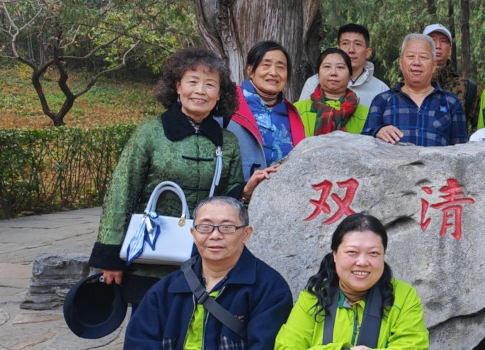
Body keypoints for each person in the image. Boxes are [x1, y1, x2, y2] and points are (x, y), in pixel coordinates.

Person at [88, 47, 266, 309]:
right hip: (149, 256)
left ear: (220, 94)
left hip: (202, 256)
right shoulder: (150, 133)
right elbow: (121, 192)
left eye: (210, 84)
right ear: (177, 86)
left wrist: (245, 192)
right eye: (192, 81)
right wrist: (110, 256)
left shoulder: (226, 142)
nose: (200, 91)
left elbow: (226, 198)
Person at [124, 197, 293, 349]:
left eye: (227, 227)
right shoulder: (167, 289)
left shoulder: (270, 289)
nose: (215, 235)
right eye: (205, 227)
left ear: (246, 233)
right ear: (193, 233)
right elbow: (139, 342)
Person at [275, 213, 430, 349]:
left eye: (373, 253)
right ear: (335, 254)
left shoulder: (403, 296)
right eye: (352, 252)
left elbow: (414, 345)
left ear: (383, 255)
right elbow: (287, 347)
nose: (362, 262)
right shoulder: (312, 298)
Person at [363, 33, 468, 146]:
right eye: (410, 56)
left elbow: (461, 150)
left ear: (434, 65)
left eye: (423, 57)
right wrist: (377, 131)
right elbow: (363, 144)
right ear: (401, 62)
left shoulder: (450, 103)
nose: (417, 62)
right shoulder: (382, 101)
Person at [226, 41, 304, 182]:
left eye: (281, 67)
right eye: (266, 65)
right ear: (250, 69)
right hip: (235, 197)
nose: (273, 73)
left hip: (282, 195)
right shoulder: (228, 103)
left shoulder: (292, 113)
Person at [299, 24, 390, 105]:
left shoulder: (381, 90)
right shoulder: (313, 83)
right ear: (337, 49)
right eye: (345, 43)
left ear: (368, 52)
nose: (351, 50)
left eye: (357, 44)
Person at [295, 48, 369, 136]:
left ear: (350, 75)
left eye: (340, 67)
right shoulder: (297, 110)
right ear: (318, 74)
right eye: (327, 67)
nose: (333, 73)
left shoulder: (366, 114)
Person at [425, 24, 480, 128]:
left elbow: (478, 128)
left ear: (450, 50)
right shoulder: (410, 86)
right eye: (432, 40)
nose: (437, 45)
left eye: (443, 41)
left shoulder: (466, 88)